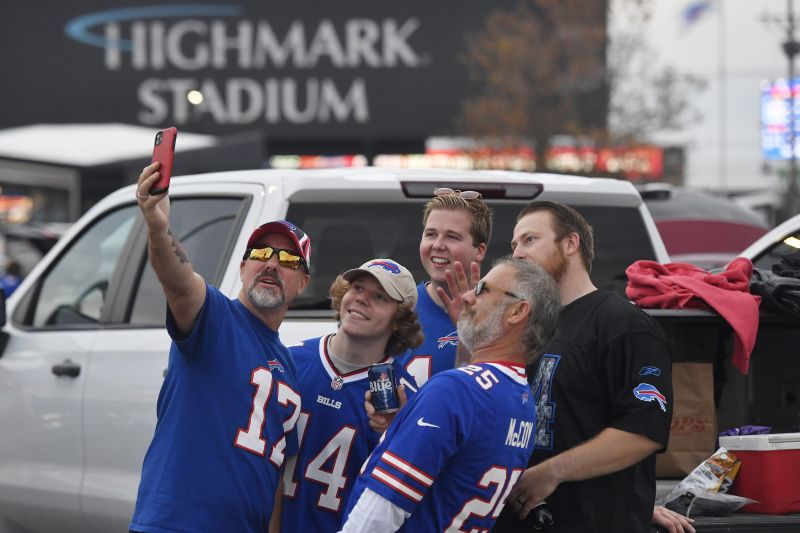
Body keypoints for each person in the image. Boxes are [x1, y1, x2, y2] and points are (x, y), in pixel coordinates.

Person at [129, 161, 310, 533]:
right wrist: (158, 227)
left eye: (288, 259)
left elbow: (273, 471)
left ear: (303, 282)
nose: (272, 264)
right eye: (260, 254)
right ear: (243, 267)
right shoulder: (213, 317)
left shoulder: (288, 367)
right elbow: (178, 282)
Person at [486, 201, 687, 533]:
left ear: (570, 244)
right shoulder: (523, 326)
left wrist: (551, 472)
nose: (517, 253)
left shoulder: (623, 324)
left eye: (530, 239)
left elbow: (643, 431)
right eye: (514, 245)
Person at [339, 258, 561, 533]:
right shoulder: (522, 401)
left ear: (517, 311)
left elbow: (380, 513)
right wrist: (404, 424)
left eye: (482, 289)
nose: (467, 296)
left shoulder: (454, 390)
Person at [280, 258, 424, 532]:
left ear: (399, 319)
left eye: (380, 296)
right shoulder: (289, 361)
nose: (362, 300)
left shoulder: (405, 398)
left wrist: (395, 434)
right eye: (357, 288)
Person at [395, 187, 492, 387]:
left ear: (480, 251)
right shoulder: (397, 307)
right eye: (430, 234)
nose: (438, 245)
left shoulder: (506, 313)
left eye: (452, 237)